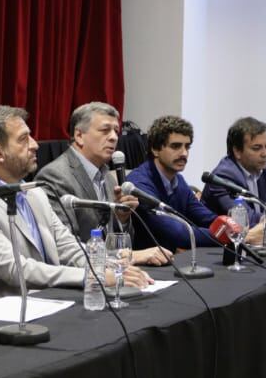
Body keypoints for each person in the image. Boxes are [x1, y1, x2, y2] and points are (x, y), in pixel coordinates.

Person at [0, 105, 153, 297]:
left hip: (51, 303)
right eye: (23, 139)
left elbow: (70, 249)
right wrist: (91, 276)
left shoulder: (34, 194)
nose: (35, 145)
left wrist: (113, 267)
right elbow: (16, 269)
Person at [36, 102, 169, 266]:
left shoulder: (106, 176)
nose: (114, 137)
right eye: (105, 130)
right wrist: (129, 256)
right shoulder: (55, 177)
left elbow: (120, 241)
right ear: (79, 136)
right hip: (82, 280)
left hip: (112, 271)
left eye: (116, 131)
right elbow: (66, 248)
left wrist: (122, 219)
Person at [125, 115, 225, 252]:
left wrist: (233, 228)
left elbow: (206, 218)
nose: (184, 153)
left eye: (187, 147)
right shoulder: (139, 184)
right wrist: (228, 235)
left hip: (169, 262)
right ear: (155, 149)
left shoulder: (179, 181)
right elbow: (179, 234)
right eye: (176, 146)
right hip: (144, 267)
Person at [201, 116, 266, 230]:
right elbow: (248, 220)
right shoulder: (223, 177)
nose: (265, 153)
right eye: (257, 148)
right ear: (237, 151)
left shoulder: (264, 170)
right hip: (219, 245)